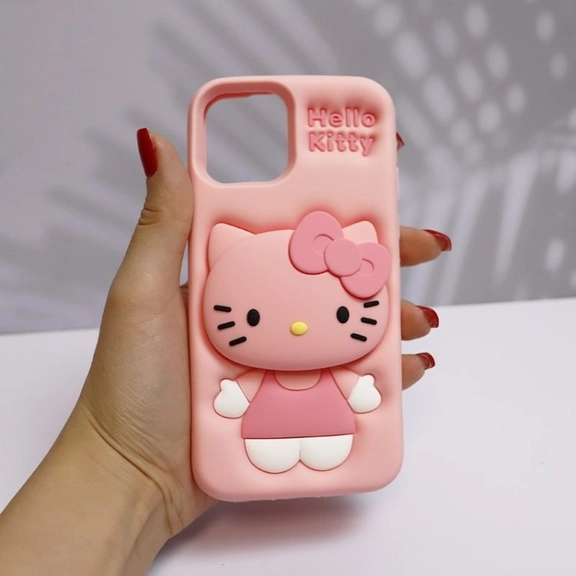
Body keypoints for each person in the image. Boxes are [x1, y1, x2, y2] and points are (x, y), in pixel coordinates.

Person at [0, 129, 451, 575]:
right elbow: (254, 387)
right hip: (265, 433)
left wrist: (129, 469)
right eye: (252, 317)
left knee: (326, 445)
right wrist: (131, 456)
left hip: (331, 428)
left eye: (338, 314)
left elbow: (343, 383)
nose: (297, 328)